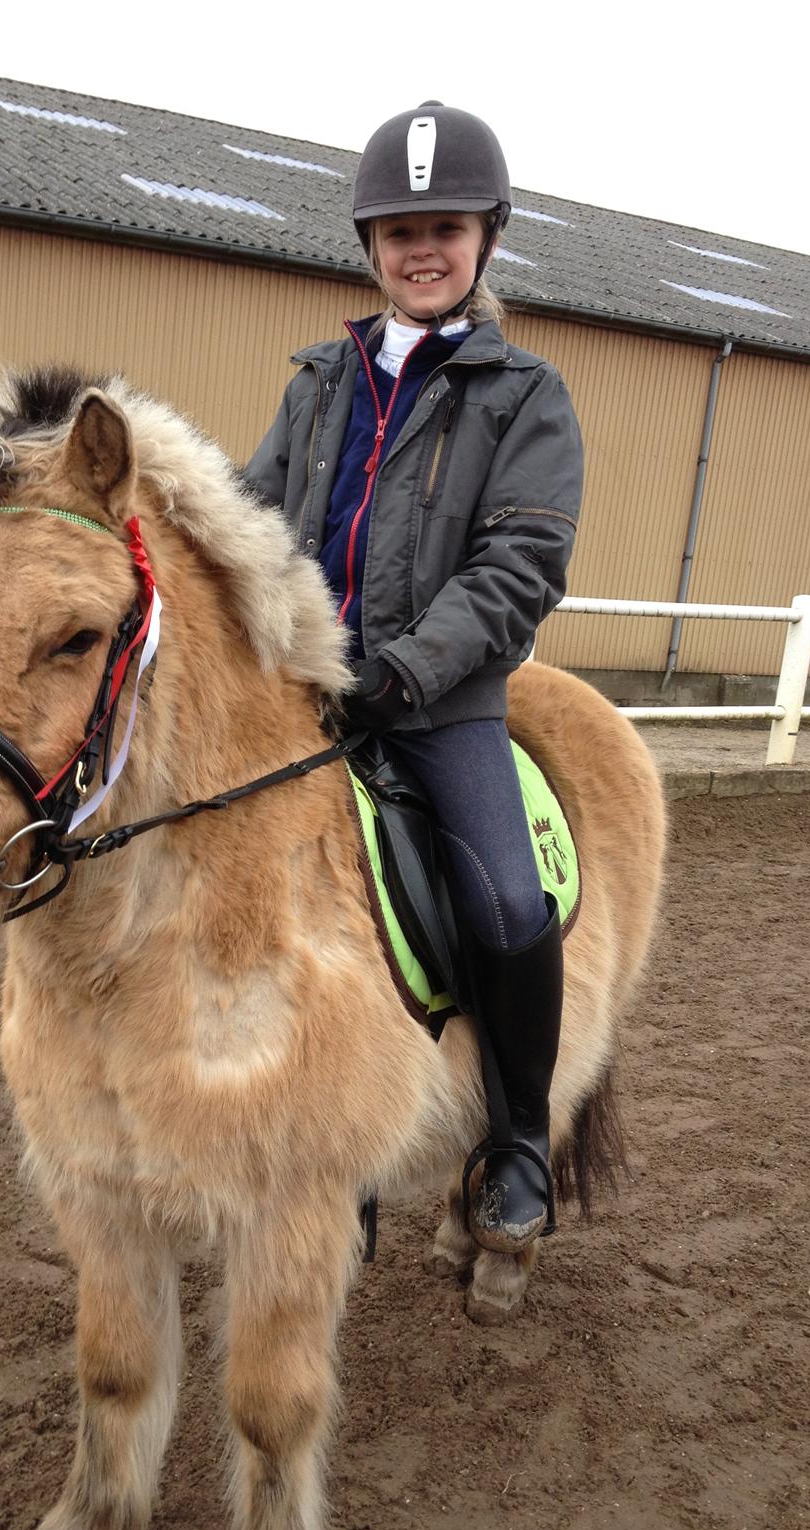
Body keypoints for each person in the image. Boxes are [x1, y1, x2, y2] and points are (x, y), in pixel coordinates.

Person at [245, 103, 583, 1253]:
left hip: (436, 704)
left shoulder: (525, 396)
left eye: (444, 227)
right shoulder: (318, 382)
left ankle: (520, 1141)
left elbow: (519, 565)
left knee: (502, 896)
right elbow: (243, 522)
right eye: (398, 231)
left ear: (486, 236)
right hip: (299, 699)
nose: (421, 250)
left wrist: (403, 670)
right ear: (369, 247)